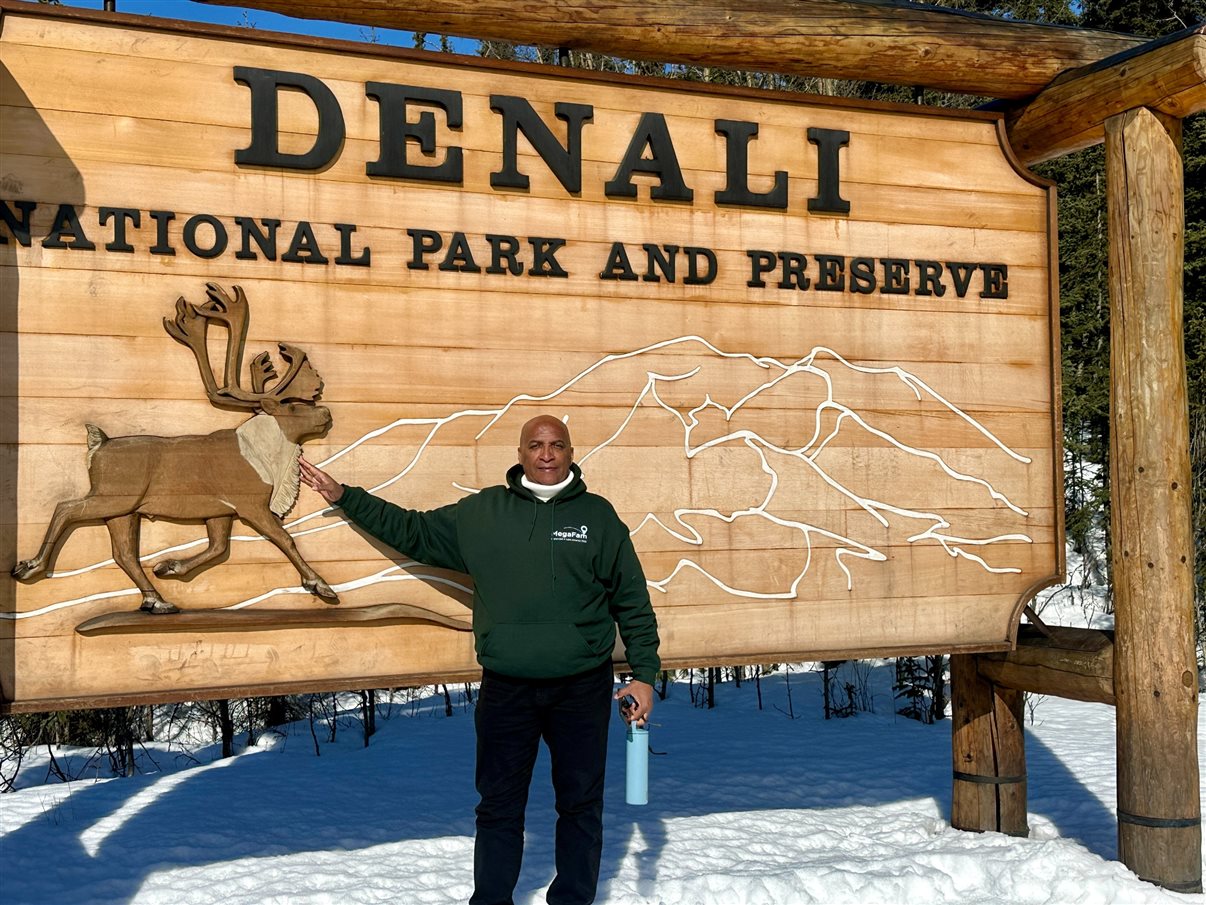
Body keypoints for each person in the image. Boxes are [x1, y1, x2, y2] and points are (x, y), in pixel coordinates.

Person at [299, 414, 660, 905]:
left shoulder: (598, 517)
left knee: (580, 804)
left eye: (557, 445)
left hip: (581, 688)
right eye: (536, 445)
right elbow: (412, 531)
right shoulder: (483, 514)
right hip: (507, 690)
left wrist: (644, 675)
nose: (547, 454)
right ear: (520, 454)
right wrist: (346, 497)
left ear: (571, 453)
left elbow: (632, 601)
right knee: (498, 806)